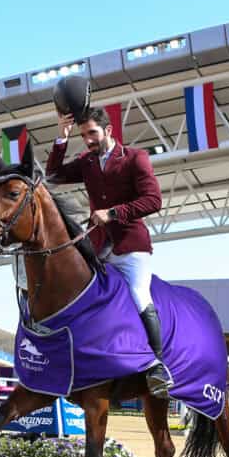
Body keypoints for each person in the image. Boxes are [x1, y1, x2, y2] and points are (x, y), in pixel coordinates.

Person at [47, 107, 170, 397]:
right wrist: (61, 138)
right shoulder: (87, 162)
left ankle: (157, 366)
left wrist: (114, 213)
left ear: (108, 131)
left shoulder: (135, 157)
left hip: (132, 246)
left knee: (139, 295)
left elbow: (153, 200)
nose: (87, 140)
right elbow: (53, 175)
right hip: (99, 246)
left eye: (92, 133)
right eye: (83, 135)